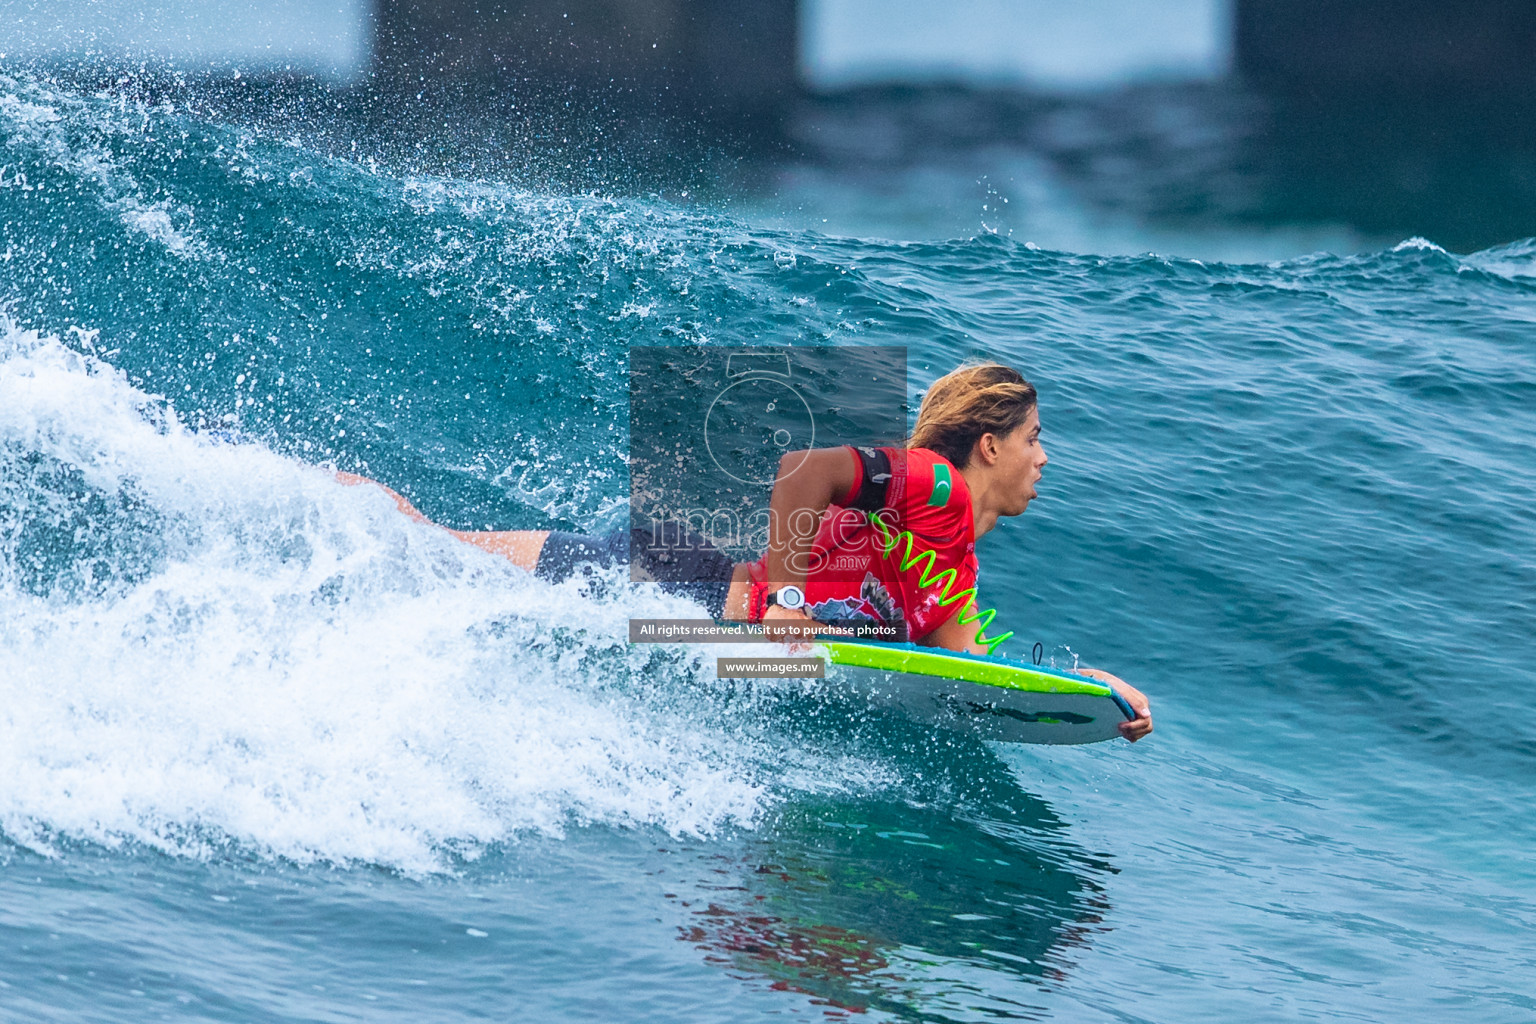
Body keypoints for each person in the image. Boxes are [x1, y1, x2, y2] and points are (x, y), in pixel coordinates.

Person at [338, 362, 1153, 741]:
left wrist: (1097, 691)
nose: (1045, 459)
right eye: (1034, 439)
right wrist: (789, 605)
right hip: (671, 585)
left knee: (441, 563)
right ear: (987, 446)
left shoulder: (956, 572)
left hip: (687, 601)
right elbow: (803, 475)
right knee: (431, 549)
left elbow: (969, 674)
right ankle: (319, 502)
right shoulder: (929, 483)